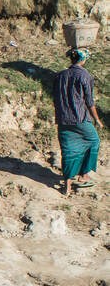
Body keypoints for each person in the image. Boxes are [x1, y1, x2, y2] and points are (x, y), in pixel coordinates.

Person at [53, 48, 101, 196]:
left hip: (63, 119)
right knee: (93, 141)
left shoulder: (60, 76)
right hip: (80, 118)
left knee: (68, 151)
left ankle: (67, 186)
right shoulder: (85, 76)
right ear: (83, 59)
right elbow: (89, 101)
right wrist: (97, 119)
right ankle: (84, 175)